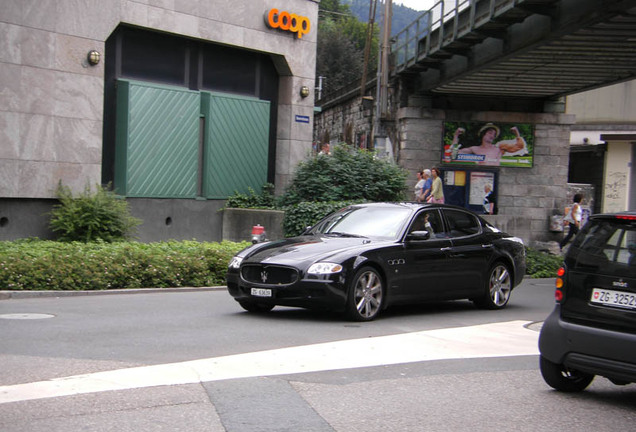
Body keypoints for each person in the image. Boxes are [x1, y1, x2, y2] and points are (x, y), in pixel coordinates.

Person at [455, 123, 526, 166]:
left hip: (495, 177)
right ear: (483, 134)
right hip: (479, 178)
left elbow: (519, 146)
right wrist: (456, 135)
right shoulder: (475, 149)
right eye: (490, 133)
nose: (492, 136)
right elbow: (454, 153)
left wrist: (517, 133)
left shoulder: (499, 148)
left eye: (494, 134)